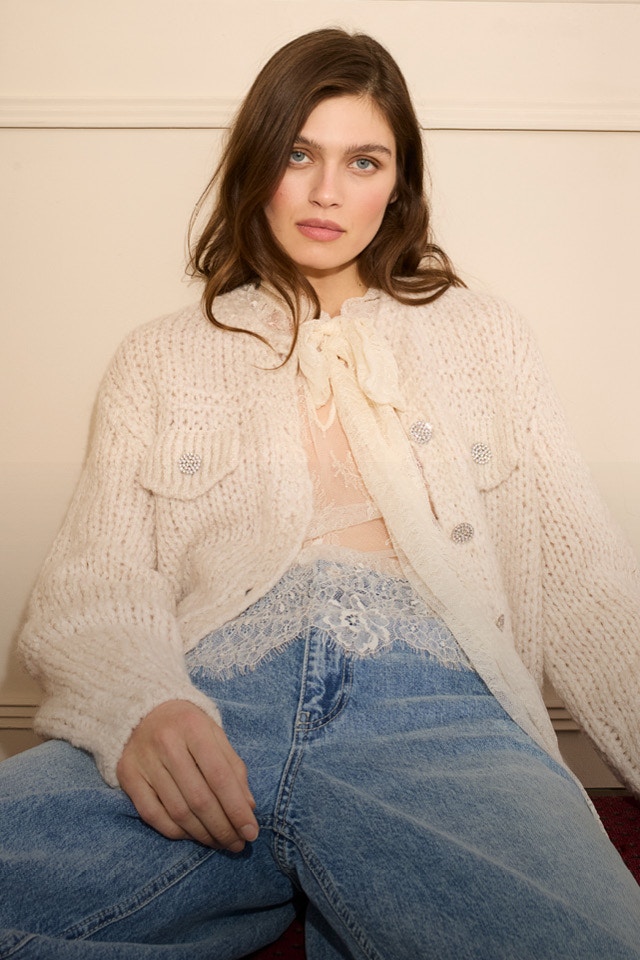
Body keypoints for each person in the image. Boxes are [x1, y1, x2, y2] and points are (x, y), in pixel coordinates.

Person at [1, 27, 639, 960]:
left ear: (399, 182)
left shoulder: (485, 338)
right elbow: (92, 586)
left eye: (363, 160)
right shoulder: (160, 358)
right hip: (211, 713)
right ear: (258, 161)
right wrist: (140, 705)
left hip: (440, 715)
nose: (327, 191)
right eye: (298, 153)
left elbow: (585, 574)